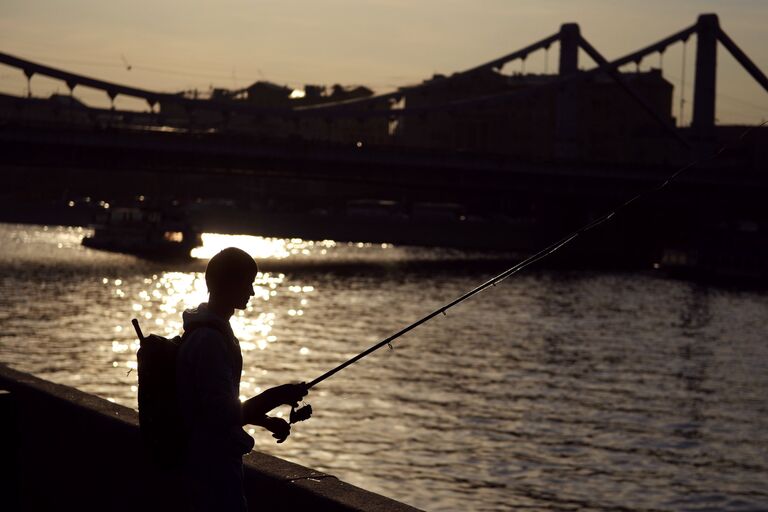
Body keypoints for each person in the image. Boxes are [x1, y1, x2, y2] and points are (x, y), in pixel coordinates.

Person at [176, 247, 308, 511]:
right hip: (210, 469)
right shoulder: (210, 341)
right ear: (228, 284)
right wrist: (276, 396)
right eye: (247, 284)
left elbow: (215, 404)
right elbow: (221, 415)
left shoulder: (208, 330)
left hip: (208, 463)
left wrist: (265, 419)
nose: (252, 293)